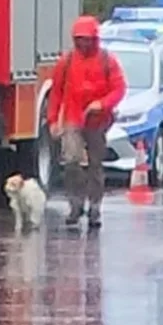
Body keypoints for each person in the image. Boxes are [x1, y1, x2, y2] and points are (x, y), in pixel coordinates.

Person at [47, 15, 128, 229]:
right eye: (79, 39)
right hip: (73, 118)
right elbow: (56, 93)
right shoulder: (66, 62)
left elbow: (119, 89)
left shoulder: (107, 61)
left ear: (95, 39)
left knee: (95, 165)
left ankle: (94, 207)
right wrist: (54, 120)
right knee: (71, 161)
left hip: (98, 122)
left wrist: (101, 104)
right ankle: (75, 205)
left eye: (87, 38)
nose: (83, 43)